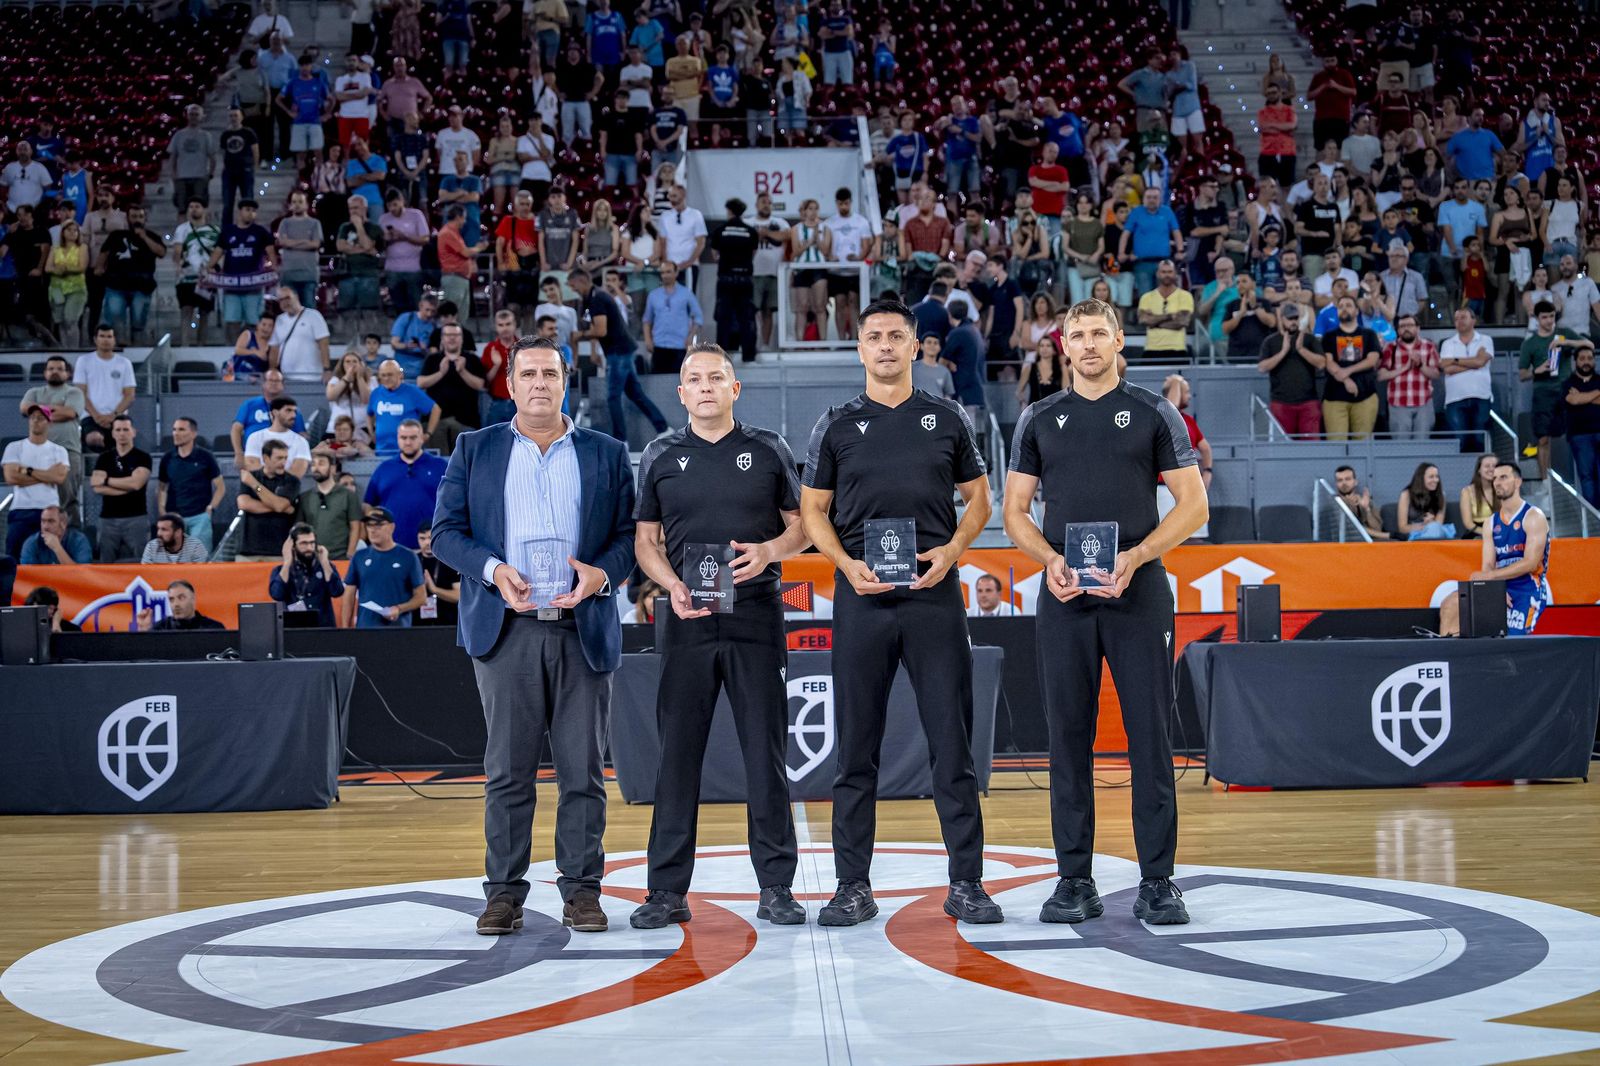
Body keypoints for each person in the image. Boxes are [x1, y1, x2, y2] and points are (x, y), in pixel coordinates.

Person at [1002, 296, 1206, 926]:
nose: (1087, 344)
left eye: (1099, 333)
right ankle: (1073, 880)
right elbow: (1015, 513)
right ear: (1062, 346)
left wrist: (1140, 554)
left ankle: (1158, 882)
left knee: (1150, 734)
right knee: (1067, 738)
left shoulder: (1152, 412)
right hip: (1065, 594)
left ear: (1120, 341)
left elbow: (1194, 507)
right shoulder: (1038, 418)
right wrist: (1049, 560)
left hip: (1138, 592)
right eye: (1076, 335)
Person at [799, 298, 1001, 927]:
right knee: (855, 749)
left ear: (917, 348)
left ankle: (967, 882)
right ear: (859, 349)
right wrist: (842, 563)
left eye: (896, 337)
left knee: (952, 745)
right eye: (874, 337)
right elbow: (812, 512)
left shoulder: (946, 419)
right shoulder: (835, 424)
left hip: (934, 593)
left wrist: (953, 550)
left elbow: (980, 502)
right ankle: (851, 886)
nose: (885, 346)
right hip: (861, 596)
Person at [429, 336, 637, 937]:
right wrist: (494, 571)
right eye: (528, 374)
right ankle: (503, 893)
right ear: (510, 385)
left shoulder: (605, 452)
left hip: (583, 627)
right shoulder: (475, 448)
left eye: (550, 373)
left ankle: (581, 891)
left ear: (565, 381)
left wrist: (602, 574)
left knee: (583, 773)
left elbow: (629, 537)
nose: (540, 383)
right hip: (508, 630)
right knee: (509, 772)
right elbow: (444, 533)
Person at [628, 346, 810, 929]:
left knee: (766, 754)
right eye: (693, 380)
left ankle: (777, 887)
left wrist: (769, 552)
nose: (704, 387)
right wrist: (669, 585)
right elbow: (646, 542)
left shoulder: (768, 449)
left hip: (755, 617)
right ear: (679, 394)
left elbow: (804, 526)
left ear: (736, 388)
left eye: (715, 378)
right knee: (677, 757)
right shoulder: (660, 453)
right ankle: (665, 890)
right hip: (686, 620)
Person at [1439, 462, 1549, 636]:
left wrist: (1490, 577)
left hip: (1527, 587)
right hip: (1500, 585)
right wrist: (1495, 590)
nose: (1497, 482)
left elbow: (1530, 563)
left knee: (1510, 639)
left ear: (1518, 482)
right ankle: (1449, 656)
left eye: (1503, 477)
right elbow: (1488, 565)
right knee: (1450, 604)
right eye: (1495, 478)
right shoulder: (1490, 522)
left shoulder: (1534, 516)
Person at [571, 267, 669, 443]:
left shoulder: (597, 299)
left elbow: (600, 330)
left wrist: (580, 336)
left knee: (613, 396)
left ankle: (620, 439)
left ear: (582, 281)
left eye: (574, 286)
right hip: (621, 350)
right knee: (635, 394)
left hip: (619, 352)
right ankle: (663, 428)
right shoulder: (594, 297)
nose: (573, 290)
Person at [1520, 301, 1594, 481]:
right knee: (1543, 439)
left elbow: (1589, 345)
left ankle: (1577, 479)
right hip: (1543, 392)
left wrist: (1565, 342)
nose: (1548, 320)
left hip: (1565, 391)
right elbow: (1522, 374)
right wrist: (1536, 371)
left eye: (1551, 316)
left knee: (1574, 435)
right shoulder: (1530, 344)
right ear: (1537, 319)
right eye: (1544, 317)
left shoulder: (1564, 334)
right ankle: (1545, 482)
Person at [363, 418, 447, 550]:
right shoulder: (384, 469)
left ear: (422, 438)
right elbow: (368, 504)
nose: (408, 442)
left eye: (413, 437)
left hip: (433, 548)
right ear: (398, 438)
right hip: (393, 549)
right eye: (404, 437)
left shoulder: (440, 466)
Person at [20, 356, 85, 524]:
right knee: (38, 496)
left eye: (59, 369)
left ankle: (72, 534)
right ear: (45, 373)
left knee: (68, 498)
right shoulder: (33, 392)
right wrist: (56, 410)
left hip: (68, 450)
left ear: (67, 373)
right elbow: (24, 408)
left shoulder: (74, 392)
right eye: (51, 369)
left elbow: (70, 413)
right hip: (38, 451)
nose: (55, 372)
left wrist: (39, 411)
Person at [3, 405, 70, 559]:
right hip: (21, 510)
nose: (35, 421)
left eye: (40, 418)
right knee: (14, 557)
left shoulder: (59, 451)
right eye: (32, 417)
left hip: (49, 510)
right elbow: (11, 478)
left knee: (50, 556)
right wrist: (47, 475)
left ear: (49, 422)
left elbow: (59, 478)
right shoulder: (14, 448)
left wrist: (27, 470)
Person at [341, 507, 426, 627]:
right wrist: (345, 628)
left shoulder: (408, 556)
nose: (373, 530)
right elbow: (349, 595)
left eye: (378, 525)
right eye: (369, 525)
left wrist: (399, 608)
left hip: (398, 630)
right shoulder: (359, 557)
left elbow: (421, 597)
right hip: (366, 629)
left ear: (392, 527)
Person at [96, 204, 165, 345]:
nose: (137, 219)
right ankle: (117, 348)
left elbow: (161, 252)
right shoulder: (116, 235)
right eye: (133, 216)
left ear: (145, 219)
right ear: (127, 218)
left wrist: (144, 237)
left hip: (142, 286)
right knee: (114, 318)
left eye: (140, 216)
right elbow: (104, 252)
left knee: (139, 321)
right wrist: (99, 267)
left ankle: (137, 350)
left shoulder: (152, 236)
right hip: (116, 284)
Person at [1318, 295, 1381, 440]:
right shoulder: (1328, 336)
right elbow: (1328, 362)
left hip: (1366, 396)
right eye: (1340, 307)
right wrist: (1346, 380)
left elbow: (1372, 360)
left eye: (1348, 305)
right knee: (1337, 445)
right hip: (1334, 398)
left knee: (1362, 446)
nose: (1344, 309)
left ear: (1357, 311)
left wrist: (1347, 371)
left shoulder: (1369, 334)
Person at [157, 417, 224, 552]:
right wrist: (163, 512)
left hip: (199, 517)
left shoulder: (206, 457)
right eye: (174, 429)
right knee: (172, 560)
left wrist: (210, 508)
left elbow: (221, 487)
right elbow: (161, 488)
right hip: (173, 517)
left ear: (193, 434)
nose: (176, 433)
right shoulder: (167, 458)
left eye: (181, 429)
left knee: (199, 560)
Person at [90, 414, 151, 562]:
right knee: (106, 564)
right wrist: (127, 486)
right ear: (113, 433)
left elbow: (136, 484)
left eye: (126, 429)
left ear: (133, 432)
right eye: (118, 430)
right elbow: (97, 487)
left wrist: (106, 480)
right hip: (108, 520)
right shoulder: (104, 458)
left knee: (142, 562)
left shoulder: (143, 457)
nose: (122, 433)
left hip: (136, 518)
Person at [1256, 303, 1321, 437]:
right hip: (1281, 402)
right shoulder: (1270, 341)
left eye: (1296, 318)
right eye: (1290, 318)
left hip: (1308, 402)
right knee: (1281, 447)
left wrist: (1301, 350)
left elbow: (1321, 363)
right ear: (1282, 319)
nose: (1293, 322)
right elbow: (1262, 367)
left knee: (1312, 448)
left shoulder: (1309, 339)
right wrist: (1283, 352)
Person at [420, 322, 487, 452]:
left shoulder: (472, 359)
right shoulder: (432, 359)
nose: (451, 338)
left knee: (465, 465)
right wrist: (441, 373)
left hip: (466, 421)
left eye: (455, 335)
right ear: (442, 338)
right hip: (436, 423)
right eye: (448, 335)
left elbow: (480, 385)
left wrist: (462, 371)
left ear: (461, 338)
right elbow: (421, 383)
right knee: (439, 465)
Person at [236, 439, 301, 561]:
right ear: (266, 458)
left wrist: (255, 485)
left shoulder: (292, 481)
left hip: (279, 551)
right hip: (248, 551)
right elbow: (243, 503)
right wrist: (281, 507)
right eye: (279, 458)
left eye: (285, 458)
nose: (283, 462)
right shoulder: (252, 475)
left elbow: (280, 506)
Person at [1377, 314, 1440, 439]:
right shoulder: (1391, 347)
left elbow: (1436, 374)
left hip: (1423, 402)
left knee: (1422, 445)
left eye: (1410, 325)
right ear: (1398, 330)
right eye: (1402, 326)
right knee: (1401, 446)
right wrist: (1404, 368)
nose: (1406, 329)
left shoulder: (1429, 346)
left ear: (1417, 328)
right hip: (1398, 403)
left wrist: (1420, 364)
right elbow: (1380, 376)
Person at [1437, 307, 1494, 447]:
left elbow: (1481, 362)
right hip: (1455, 399)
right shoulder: (1447, 343)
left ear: (1473, 320)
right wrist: (1473, 362)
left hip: (1481, 396)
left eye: (1463, 317)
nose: (1459, 321)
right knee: (1459, 441)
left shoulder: (1485, 340)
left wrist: (1454, 360)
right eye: (1456, 319)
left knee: (1481, 440)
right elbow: (1446, 368)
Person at [270, 522, 346, 626]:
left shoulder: (326, 567)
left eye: (312, 543)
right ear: (292, 545)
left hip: (322, 628)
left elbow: (337, 592)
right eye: (304, 543)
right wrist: (287, 563)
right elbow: (277, 594)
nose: (309, 548)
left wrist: (325, 563)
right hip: (294, 630)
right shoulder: (281, 570)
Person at [296, 452, 364, 560]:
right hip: (312, 558)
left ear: (332, 468)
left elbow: (355, 527)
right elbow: (300, 529)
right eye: (313, 464)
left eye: (321, 464)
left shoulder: (348, 496)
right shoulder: (305, 497)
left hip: (340, 557)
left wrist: (350, 554)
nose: (316, 468)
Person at [641, 259, 703, 375]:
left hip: (679, 345)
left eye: (668, 272)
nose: (665, 275)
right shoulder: (653, 295)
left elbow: (698, 318)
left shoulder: (686, 293)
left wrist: (691, 337)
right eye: (663, 272)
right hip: (659, 345)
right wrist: (648, 339)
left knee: (677, 382)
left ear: (676, 273)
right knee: (657, 382)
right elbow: (647, 320)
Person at [368, 358, 439, 456]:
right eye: (383, 375)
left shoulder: (412, 392)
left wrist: (428, 433)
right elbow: (369, 414)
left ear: (400, 375)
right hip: (382, 450)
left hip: (409, 451)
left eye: (390, 374)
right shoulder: (375, 393)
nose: (386, 378)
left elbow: (435, 409)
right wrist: (371, 433)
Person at [1562, 345, 1600, 508]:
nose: (1586, 362)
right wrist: (1596, 394)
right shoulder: (1568, 383)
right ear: (1575, 361)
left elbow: (1578, 400)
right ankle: (1593, 517)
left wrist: (1581, 397)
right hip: (1579, 435)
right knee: (1587, 476)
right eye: (1582, 359)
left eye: (1590, 359)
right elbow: (1572, 401)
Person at [1135, 258, 1193, 361]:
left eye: (1170, 272)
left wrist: (1154, 322)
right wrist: (1170, 316)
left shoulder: (1185, 296)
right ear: (1158, 273)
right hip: (1151, 349)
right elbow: (1143, 320)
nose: (1167, 275)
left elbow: (1182, 321)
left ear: (1175, 273)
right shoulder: (1147, 297)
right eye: (1163, 272)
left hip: (1177, 349)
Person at [242, 396, 312, 477]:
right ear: (275, 412)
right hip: (258, 488)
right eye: (288, 410)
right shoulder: (254, 438)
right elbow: (252, 467)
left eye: (295, 411)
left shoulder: (301, 442)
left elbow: (296, 474)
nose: (293, 415)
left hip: (287, 489)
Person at [410, 521, 460, 626]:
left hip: (446, 623)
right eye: (422, 538)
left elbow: (458, 596)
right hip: (416, 623)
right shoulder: (412, 560)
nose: (427, 542)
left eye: (430, 537)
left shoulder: (449, 560)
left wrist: (434, 590)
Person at [18, 505, 92, 565]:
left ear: (63, 524)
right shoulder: (31, 543)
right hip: (42, 583)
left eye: (51, 521)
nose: (45, 526)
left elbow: (82, 574)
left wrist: (57, 548)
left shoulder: (79, 540)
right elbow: (28, 576)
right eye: (43, 521)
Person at [138, 580, 225, 631]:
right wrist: (145, 633)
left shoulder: (213, 629)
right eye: (171, 599)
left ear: (193, 599)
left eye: (181, 598)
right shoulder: (160, 629)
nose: (176, 604)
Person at [1332, 464, 1389, 539]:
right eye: (1340, 480)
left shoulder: (1366, 501)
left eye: (1348, 479)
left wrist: (1367, 509)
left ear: (1355, 482)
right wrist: (1387, 535)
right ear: (1336, 484)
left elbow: (1377, 528)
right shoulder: (1333, 504)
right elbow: (1350, 531)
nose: (1344, 483)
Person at [139, 513, 208, 564]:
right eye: (158, 529)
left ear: (178, 532)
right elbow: (145, 574)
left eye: (164, 529)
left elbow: (201, 575)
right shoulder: (151, 546)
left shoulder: (195, 546)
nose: (158, 533)